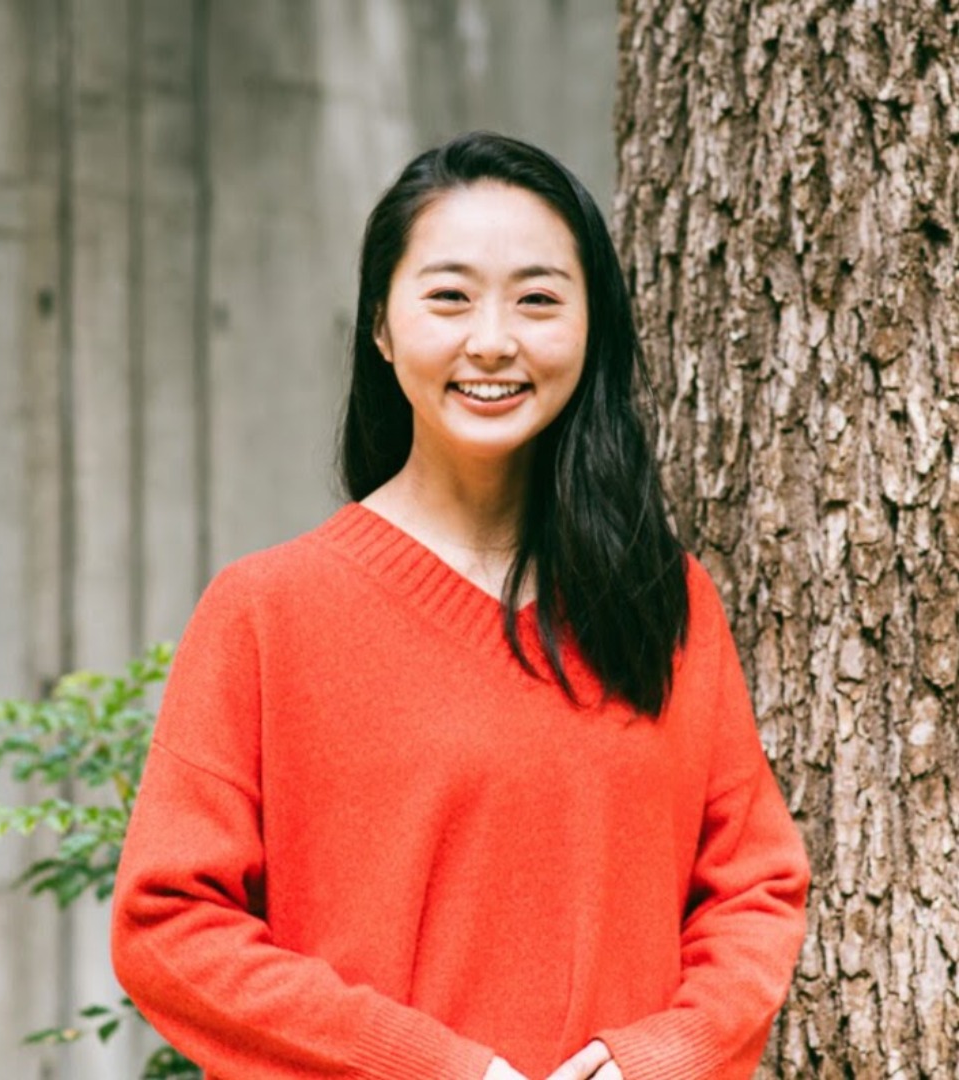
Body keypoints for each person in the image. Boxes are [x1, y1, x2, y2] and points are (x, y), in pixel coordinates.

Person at [111, 131, 810, 1080]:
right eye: (449, 297)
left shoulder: (663, 598)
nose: (492, 340)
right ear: (381, 326)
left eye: (537, 299)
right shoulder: (268, 612)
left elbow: (755, 889)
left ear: (592, 326)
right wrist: (430, 1068)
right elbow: (168, 926)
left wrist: (660, 1057)